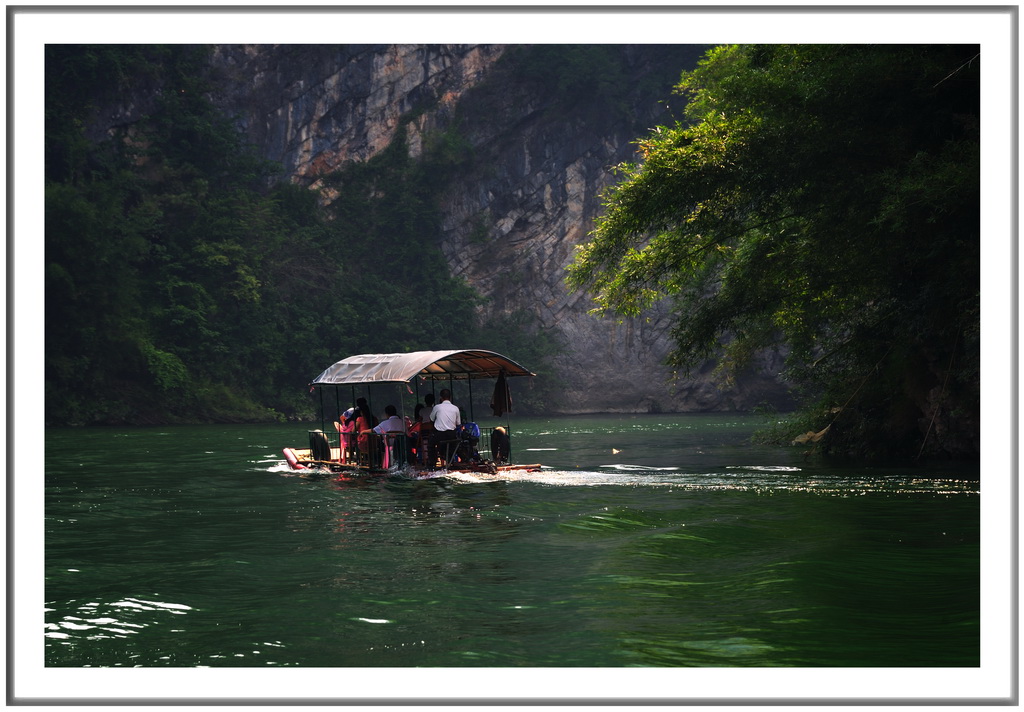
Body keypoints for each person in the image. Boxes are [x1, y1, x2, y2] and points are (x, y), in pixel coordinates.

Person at [429, 389, 461, 466]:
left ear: (441, 398)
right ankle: (451, 460)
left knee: (430, 445)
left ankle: (432, 463)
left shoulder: (437, 407)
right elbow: (458, 423)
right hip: (451, 435)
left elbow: (431, 419)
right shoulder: (455, 408)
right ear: (450, 397)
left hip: (440, 434)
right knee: (452, 445)